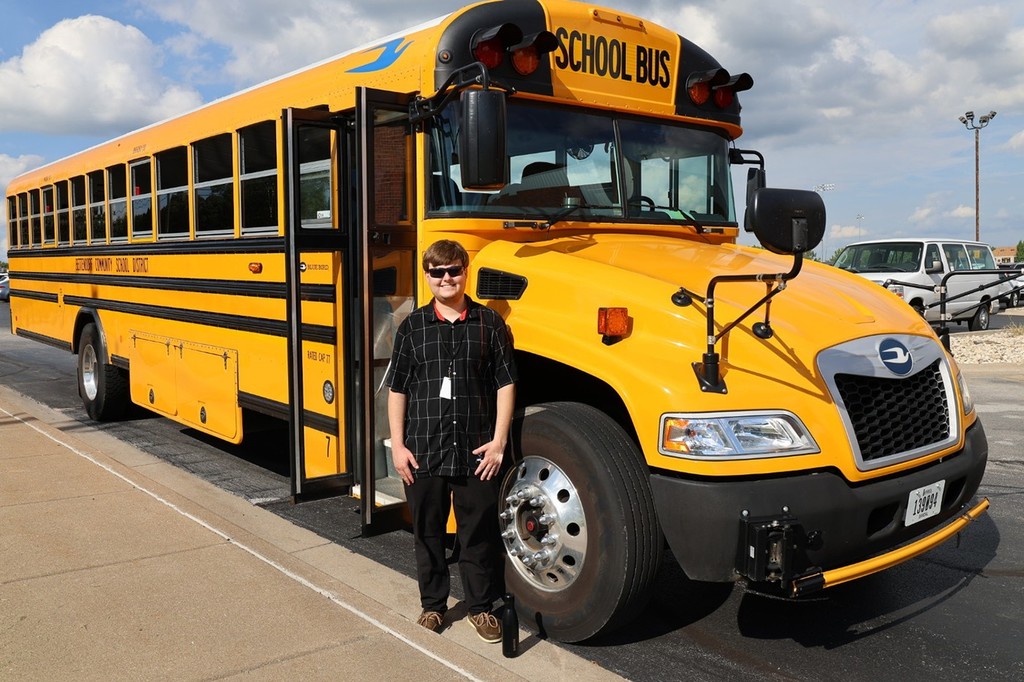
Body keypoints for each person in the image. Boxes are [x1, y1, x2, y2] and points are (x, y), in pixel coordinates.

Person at [385, 239, 517, 643]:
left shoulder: (490, 324)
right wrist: (399, 446)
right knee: (428, 532)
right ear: (427, 277)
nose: (446, 279)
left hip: (476, 452)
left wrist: (498, 443)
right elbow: (398, 388)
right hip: (423, 451)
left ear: (465, 272)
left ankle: (480, 608)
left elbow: (506, 383)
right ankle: (434, 606)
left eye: (454, 271)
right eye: (437, 272)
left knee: (477, 534)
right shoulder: (412, 327)